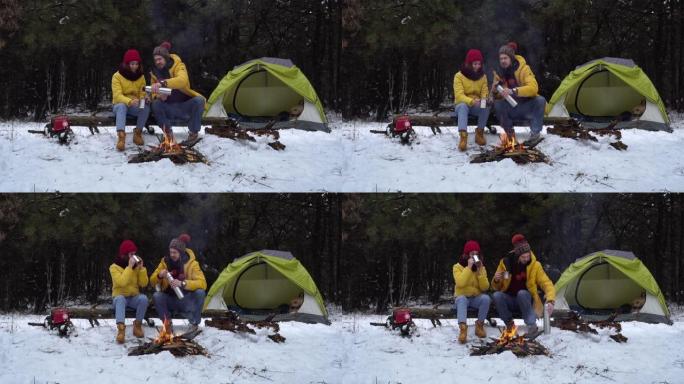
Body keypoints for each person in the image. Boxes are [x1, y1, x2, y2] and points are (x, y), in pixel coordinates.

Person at [491, 234, 555, 336]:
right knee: (496, 295)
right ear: (517, 256)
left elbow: (546, 283)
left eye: (528, 256)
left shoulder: (535, 265)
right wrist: (496, 280)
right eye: (523, 257)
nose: (526, 258)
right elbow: (496, 287)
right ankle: (509, 324)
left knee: (522, 293)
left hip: (526, 301)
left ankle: (532, 326)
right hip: (510, 300)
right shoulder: (506, 263)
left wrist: (551, 300)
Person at [149, 42, 205, 143]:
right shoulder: (154, 73)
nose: (157, 62)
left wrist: (163, 83)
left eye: (160, 59)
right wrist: (159, 96)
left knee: (199, 100)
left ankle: (193, 133)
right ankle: (168, 135)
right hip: (168, 108)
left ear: (165, 58)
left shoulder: (179, 66)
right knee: (156, 104)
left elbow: (182, 81)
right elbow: (153, 92)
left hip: (184, 107)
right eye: (155, 60)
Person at [150, 237, 207, 332]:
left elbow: (202, 283)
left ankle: (194, 324)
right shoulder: (164, 262)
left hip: (186, 301)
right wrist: (159, 276)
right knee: (157, 296)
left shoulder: (192, 264)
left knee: (200, 293)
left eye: (175, 252)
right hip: (170, 300)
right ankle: (167, 324)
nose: (172, 255)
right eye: (171, 252)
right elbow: (152, 282)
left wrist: (183, 283)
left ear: (181, 252)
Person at [492, 44, 547, 142]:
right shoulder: (498, 73)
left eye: (505, 58)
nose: (503, 61)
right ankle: (509, 134)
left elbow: (534, 88)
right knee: (497, 104)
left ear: (511, 58)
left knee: (540, 100)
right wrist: (495, 92)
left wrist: (514, 91)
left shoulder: (524, 69)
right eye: (501, 59)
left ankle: (535, 134)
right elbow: (496, 98)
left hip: (526, 107)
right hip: (511, 108)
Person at [110, 239, 149, 343]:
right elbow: (122, 282)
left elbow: (143, 283)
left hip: (133, 298)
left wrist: (141, 269)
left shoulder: (136, 267)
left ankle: (137, 326)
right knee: (120, 299)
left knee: (143, 299)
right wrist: (129, 267)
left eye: (134, 254)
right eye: (131, 254)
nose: (133, 256)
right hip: (119, 299)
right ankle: (121, 330)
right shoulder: (114, 267)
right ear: (124, 254)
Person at [111, 49, 150, 151]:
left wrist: (144, 98)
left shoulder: (141, 76)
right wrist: (129, 101)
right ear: (127, 64)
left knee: (145, 107)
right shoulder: (117, 76)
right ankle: (121, 137)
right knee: (121, 106)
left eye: (136, 64)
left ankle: (137, 133)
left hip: (134, 105)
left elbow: (142, 92)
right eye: (132, 64)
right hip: (119, 105)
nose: (134, 66)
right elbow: (117, 95)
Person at [452, 240, 491, 344]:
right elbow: (460, 283)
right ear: (466, 255)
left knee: (486, 298)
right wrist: (469, 268)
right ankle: (463, 330)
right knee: (461, 299)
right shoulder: (457, 267)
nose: (474, 256)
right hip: (462, 298)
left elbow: (485, 287)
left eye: (476, 253)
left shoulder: (481, 267)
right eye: (472, 253)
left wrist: (480, 273)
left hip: (475, 298)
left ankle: (479, 326)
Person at [453, 49, 490, 151]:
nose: (477, 66)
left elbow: (484, 92)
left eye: (479, 64)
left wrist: (484, 99)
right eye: (474, 64)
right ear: (469, 64)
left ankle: (479, 133)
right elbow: (459, 96)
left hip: (476, 105)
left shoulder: (483, 77)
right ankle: (463, 137)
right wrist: (472, 101)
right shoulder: (459, 76)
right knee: (463, 106)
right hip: (462, 105)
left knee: (485, 105)